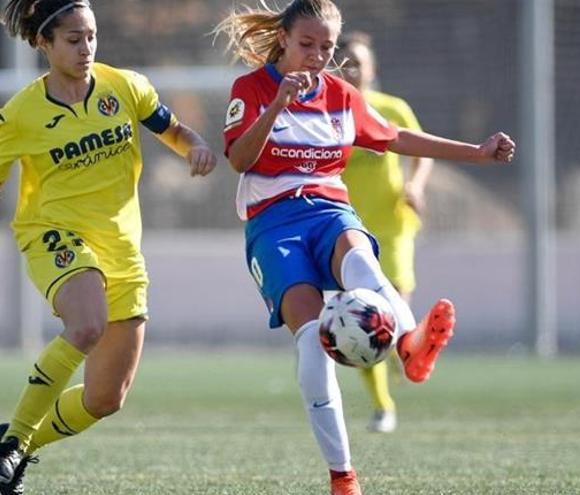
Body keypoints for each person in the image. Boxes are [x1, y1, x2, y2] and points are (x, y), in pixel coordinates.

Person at [0, 1, 217, 493]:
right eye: (73, 39)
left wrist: (195, 147)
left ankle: (18, 442)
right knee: (88, 323)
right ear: (44, 44)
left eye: (91, 36)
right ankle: (12, 445)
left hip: (122, 249)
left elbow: (175, 131)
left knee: (105, 399)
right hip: (53, 235)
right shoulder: (21, 114)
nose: (86, 48)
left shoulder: (127, 87)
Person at [214, 1, 514, 494]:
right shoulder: (251, 88)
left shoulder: (341, 95)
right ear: (285, 39)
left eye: (326, 47)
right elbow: (239, 158)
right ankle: (343, 477)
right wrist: (277, 106)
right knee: (312, 339)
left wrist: (476, 153)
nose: (316, 56)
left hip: (328, 209)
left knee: (362, 261)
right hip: (273, 225)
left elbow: (394, 137)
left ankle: (409, 345)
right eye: (306, 44)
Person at [334, 31, 435, 434]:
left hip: (391, 227)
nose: (352, 70)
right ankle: (382, 406)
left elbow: (422, 150)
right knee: (362, 318)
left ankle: (405, 351)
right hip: (346, 228)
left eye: (358, 62)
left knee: (393, 309)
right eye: (345, 64)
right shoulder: (327, 112)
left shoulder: (392, 108)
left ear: (372, 69)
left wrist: (415, 186)